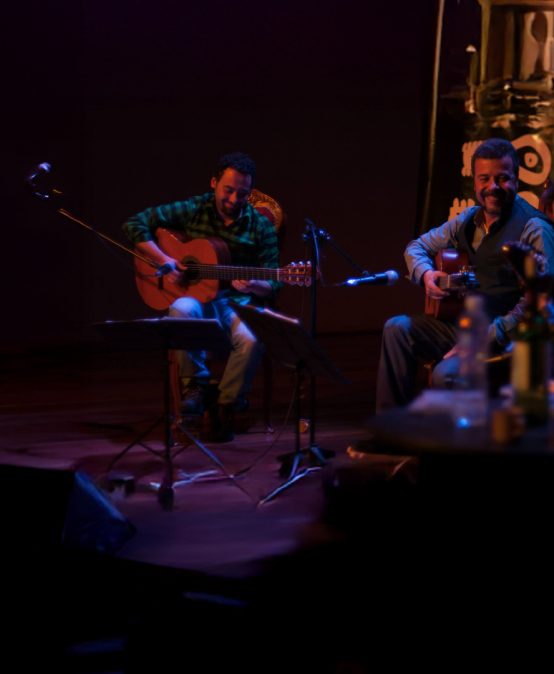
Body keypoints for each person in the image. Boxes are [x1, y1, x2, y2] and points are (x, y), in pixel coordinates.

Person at [376, 137, 554, 411]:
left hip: (506, 341)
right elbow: (416, 247)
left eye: (502, 178)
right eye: (484, 179)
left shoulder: (534, 228)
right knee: (396, 329)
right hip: (463, 326)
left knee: (445, 374)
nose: (492, 187)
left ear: (517, 180)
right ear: (474, 182)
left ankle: (454, 449)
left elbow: (538, 302)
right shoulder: (468, 219)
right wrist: (426, 275)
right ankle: (390, 433)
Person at [123, 152, 281, 441]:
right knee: (182, 307)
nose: (234, 200)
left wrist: (256, 284)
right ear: (214, 183)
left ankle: (225, 404)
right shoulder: (195, 208)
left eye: (242, 194)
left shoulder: (261, 227)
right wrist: (163, 259)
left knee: (252, 337)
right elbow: (134, 223)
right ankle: (194, 386)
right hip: (196, 298)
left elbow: (275, 282)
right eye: (228, 190)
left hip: (237, 303)